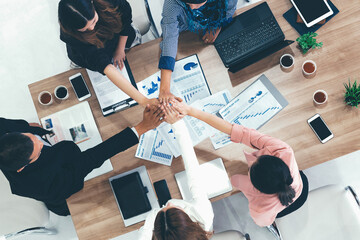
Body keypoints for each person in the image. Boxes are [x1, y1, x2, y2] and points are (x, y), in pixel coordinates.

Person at [0, 105, 164, 216]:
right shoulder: (47, 185)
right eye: (38, 148)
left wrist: (29, 128)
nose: (38, 140)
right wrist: (142, 128)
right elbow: (92, 158)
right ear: (22, 167)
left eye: (29, 137)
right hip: (66, 194)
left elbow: (10, 124)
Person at [170, 99, 308, 227]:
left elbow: (235, 181)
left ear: (256, 187)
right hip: (299, 190)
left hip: (275, 212)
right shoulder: (284, 150)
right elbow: (236, 130)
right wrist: (190, 110)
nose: (254, 158)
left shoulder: (259, 208)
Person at [58, 0, 156, 106]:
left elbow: (126, 20)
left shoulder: (111, 2)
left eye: (94, 20)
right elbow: (102, 63)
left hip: (120, 37)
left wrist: (120, 49)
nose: (91, 28)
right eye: (84, 29)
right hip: (88, 57)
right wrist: (144, 101)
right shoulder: (70, 35)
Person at [139, 104, 214, 239]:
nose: (170, 203)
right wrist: (177, 124)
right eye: (174, 209)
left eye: (166, 208)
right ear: (191, 225)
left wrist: (155, 214)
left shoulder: (148, 232)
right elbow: (193, 171)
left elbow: (148, 223)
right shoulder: (204, 216)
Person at [158, 0, 238, 103]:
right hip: (183, 33)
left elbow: (230, 9)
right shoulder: (172, 3)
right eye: (187, 3)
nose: (192, 7)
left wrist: (217, 26)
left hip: (210, 26)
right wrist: (164, 89)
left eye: (197, 3)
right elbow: (169, 38)